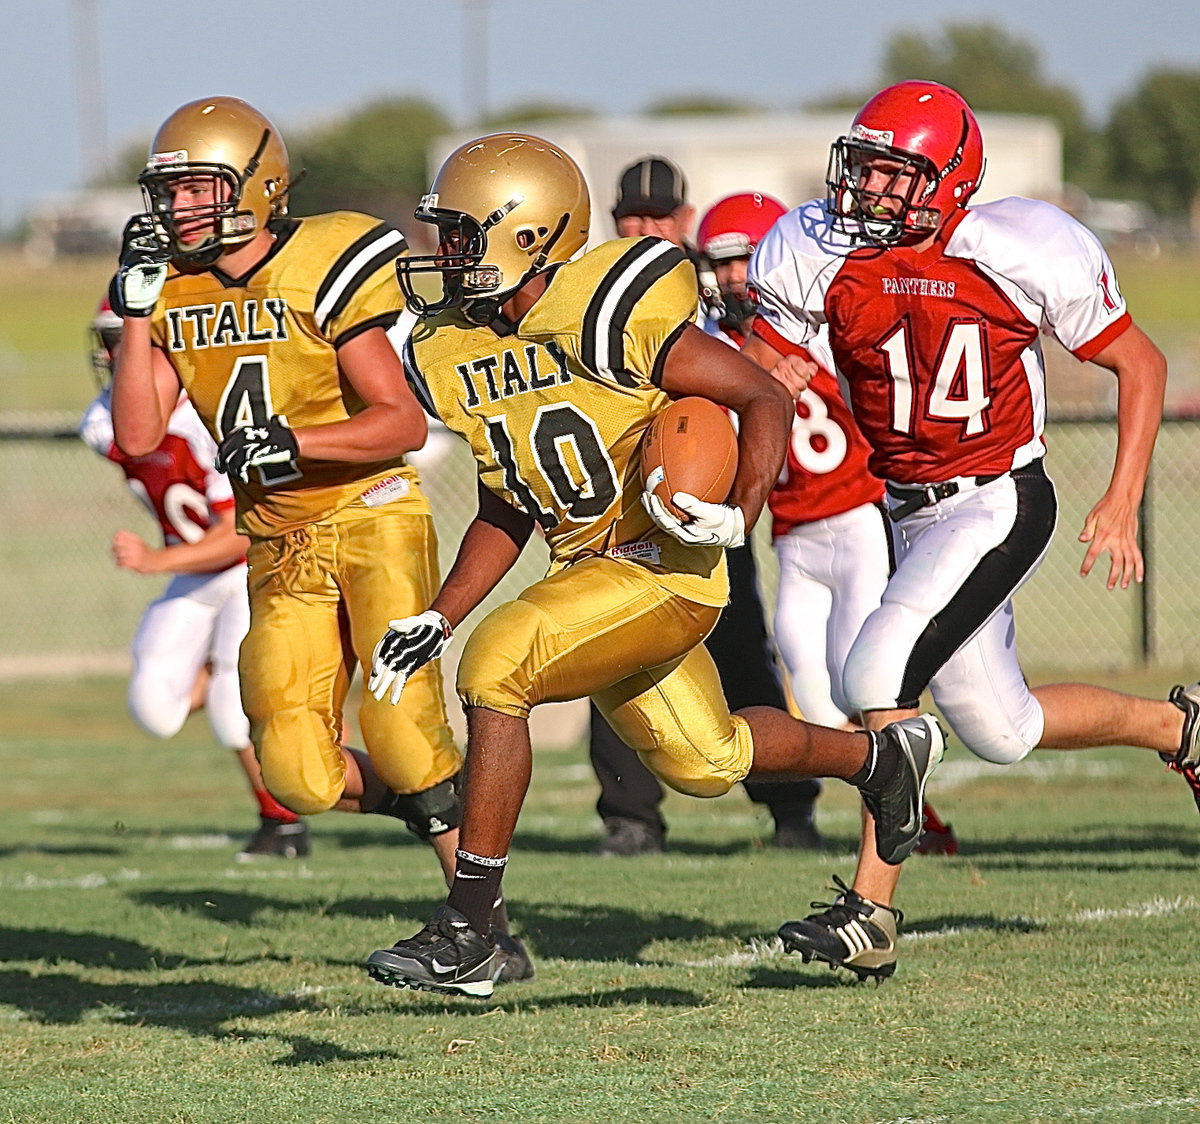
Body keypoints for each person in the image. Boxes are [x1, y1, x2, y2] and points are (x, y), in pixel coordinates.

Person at [362, 131, 945, 998]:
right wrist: (440, 611)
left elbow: (761, 392)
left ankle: (472, 927)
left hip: (665, 566)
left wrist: (737, 514)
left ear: (529, 235)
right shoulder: (454, 347)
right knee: (705, 761)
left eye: (461, 234)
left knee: (497, 666)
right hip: (587, 572)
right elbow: (509, 498)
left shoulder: (609, 306)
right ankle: (880, 761)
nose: (444, 255)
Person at [742, 79, 1200, 982]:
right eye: (862, 167)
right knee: (1001, 727)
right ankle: (1179, 729)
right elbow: (768, 362)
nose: (867, 190)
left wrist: (1121, 496)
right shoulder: (818, 247)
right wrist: (761, 381)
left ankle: (870, 911)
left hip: (996, 501)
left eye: (891, 172)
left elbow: (1138, 362)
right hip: (909, 505)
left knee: (874, 674)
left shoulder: (1019, 245)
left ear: (948, 179)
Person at [106, 96, 531, 982]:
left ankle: (480, 930)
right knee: (295, 770)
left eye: (197, 189)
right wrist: (139, 312)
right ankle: (444, 823)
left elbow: (398, 423)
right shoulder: (168, 285)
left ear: (254, 186)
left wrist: (293, 442)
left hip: (368, 512)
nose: (177, 209)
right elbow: (141, 435)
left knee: (405, 728)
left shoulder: (321, 258)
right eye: (169, 191)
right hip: (275, 541)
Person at [699, 191, 958, 856]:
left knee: (863, 681)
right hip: (793, 539)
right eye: (718, 264)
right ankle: (896, 800)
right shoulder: (715, 349)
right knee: (815, 706)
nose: (731, 278)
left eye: (741, 261)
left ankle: (911, 823)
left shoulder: (825, 326)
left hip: (855, 519)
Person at [585, 157, 823, 857]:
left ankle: (792, 809)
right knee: (609, 654)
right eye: (634, 215)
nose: (646, 227)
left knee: (742, 652)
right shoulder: (593, 289)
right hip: (623, 505)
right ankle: (631, 819)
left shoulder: (710, 290)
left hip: (709, 500)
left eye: (660, 216)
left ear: (685, 222)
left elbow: (758, 361)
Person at [80, 297, 309, 860]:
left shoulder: (207, 418)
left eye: (124, 340)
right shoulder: (103, 420)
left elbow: (238, 533)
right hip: (195, 569)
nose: (113, 356)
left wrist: (155, 561)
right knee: (155, 708)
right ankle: (223, 668)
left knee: (234, 713)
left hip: (248, 567)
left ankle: (283, 822)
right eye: (110, 341)